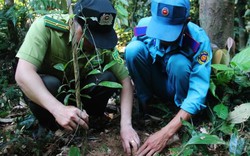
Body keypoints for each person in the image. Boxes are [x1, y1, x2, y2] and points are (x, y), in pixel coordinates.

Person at [15, 0, 139, 155]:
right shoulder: (46, 27)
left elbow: (126, 81)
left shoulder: (103, 45)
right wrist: (58, 109)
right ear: (74, 22)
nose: (94, 45)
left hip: (84, 100)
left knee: (107, 77)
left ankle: (90, 122)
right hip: (52, 100)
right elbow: (22, 73)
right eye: (90, 37)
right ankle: (48, 127)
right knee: (49, 83)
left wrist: (126, 125)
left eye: (100, 39)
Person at [125, 0, 212, 155]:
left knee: (178, 62)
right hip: (155, 83)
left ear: (186, 22)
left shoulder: (198, 40)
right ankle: (147, 107)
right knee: (133, 50)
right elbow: (136, 62)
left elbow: (198, 91)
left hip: (179, 89)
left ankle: (178, 117)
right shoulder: (144, 26)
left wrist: (166, 133)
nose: (164, 37)